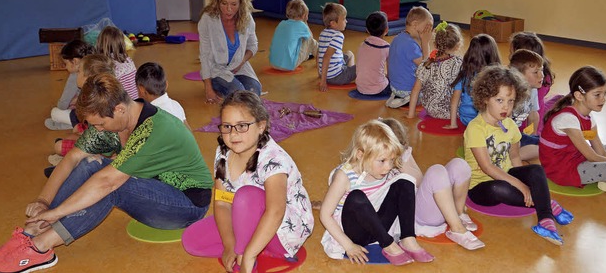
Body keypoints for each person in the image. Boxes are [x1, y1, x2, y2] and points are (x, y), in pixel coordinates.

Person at [0, 74, 213, 273]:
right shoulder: (114, 121)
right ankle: (30, 233)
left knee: (111, 186)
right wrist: (44, 202)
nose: (97, 130)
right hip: (155, 191)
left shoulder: (154, 128)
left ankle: (41, 249)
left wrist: (57, 213)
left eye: (99, 124)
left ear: (118, 109)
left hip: (187, 205)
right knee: (91, 163)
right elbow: (73, 158)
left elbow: (107, 183)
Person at [182, 90, 313, 273]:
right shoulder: (223, 153)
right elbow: (221, 203)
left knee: (245, 196)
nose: (233, 134)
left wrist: (247, 254)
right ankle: (247, 246)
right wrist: (229, 245)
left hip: (282, 233)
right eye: (227, 126)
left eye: (242, 126)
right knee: (191, 241)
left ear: (261, 126)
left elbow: (275, 211)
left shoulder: (273, 159)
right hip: (246, 218)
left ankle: (247, 258)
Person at [464, 65, 573, 245]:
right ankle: (546, 204)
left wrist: (525, 179)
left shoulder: (510, 125)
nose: (506, 107)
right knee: (498, 188)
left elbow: (515, 158)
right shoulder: (475, 128)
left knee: (536, 170)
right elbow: (487, 167)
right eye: (499, 100)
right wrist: (521, 186)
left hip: (506, 174)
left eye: (511, 101)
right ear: (484, 99)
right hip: (481, 186)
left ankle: (545, 220)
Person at [320, 120, 433, 265]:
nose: (388, 167)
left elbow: (408, 188)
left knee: (405, 180)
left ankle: (408, 239)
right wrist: (348, 245)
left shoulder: (385, 168)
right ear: (361, 155)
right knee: (356, 196)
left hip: (379, 227)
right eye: (382, 161)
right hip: (355, 232)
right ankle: (389, 245)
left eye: (391, 160)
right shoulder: (345, 176)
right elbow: (325, 214)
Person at [379, 118, 484, 251]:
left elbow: (419, 179)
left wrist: (403, 159)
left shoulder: (402, 155)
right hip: (414, 217)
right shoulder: (376, 164)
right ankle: (457, 229)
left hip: (422, 204)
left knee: (460, 164)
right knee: (436, 171)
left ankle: (458, 212)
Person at [540, 66, 606, 199]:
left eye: (604, 94)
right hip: (562, 169)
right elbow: (592, 156)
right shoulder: (568, 119)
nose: (603, 99)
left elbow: (600, 151)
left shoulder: (589, 118)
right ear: (579, 95)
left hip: (578, 157)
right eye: (597, 95)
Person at [199, 0, 260, 104]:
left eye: (234, 4)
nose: (229, 9)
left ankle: (230, 87)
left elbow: (253, 46)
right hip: (216, 70)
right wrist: (208, 89)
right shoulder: (207, 19)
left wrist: (241, 61)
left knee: (254, 92)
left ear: (241, 4)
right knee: (239, 94)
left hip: (240, 67)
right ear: (217, 1)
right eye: (224, 3)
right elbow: (205, 56)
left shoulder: (246, 18)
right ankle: (221, 85)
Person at [50, 55, 115, 167]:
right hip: (96, 137)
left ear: (88, 77)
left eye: (79, 72)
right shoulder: (95, 93)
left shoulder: (95, 100)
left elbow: (103, 140)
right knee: (75, 130)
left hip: (101, 147)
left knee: (59, 146)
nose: (76, 75)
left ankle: (74, 165)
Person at [406, 21, 463, 119]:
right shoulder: (459, 64)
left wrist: (410, 115)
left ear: (435, 44)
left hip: (430, 110)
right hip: (452, 112)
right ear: (457, 46)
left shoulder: (426, 64)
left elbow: (415, 90)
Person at [444, 34, 501, 129]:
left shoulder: (465, 74)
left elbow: (454, 100)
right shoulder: (496, 77)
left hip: (466, 120)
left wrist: (453, 124)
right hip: (486, 121)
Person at [386, 6, 433, 108]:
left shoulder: (398, 38)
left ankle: (399, 97)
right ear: (415, 24)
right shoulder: (410, 45)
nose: (428, 31)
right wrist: (426, 43)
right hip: (407, 90)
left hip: (394, 88)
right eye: (427, 27)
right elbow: (426, 67)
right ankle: (407, 99)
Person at [509, 32, 555, 135]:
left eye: (512, 53)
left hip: (525, 126)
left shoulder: (534, 83)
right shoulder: (542, 78)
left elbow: (533, 115)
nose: (509, 56)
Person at [44, 40, 96, 131]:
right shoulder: (97, 67)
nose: (65, 67)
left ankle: (74, 125)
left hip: (90, 116)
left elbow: (62, 105)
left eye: (66, 64)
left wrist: (69, 103)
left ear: (75, 61)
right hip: (104, 114)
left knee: (55, 112)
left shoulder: (74, 76)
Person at [509, 49, 544, 161]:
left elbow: (534, 115)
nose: (542, 75)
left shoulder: (532, 89)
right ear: (519, 75)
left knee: (546, 144)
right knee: (540, 150)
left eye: (541, 70)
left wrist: (531, 136)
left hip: (516, 135)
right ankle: (507, 159)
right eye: (535, 72)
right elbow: (503, 125)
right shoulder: (510, 94)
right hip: (500, 136)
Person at [135, 62, 191, 130]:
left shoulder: (149, 116)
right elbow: (188, 132)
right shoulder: (176, 105)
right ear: (166, 84)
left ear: (141, 89)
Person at [269, 0, 317, 71]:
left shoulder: (281, 23)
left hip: (273, 63)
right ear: (304, 15)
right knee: (311, 41)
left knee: (297, 41)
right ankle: (322, 57)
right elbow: (310, 39)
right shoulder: (301, 25)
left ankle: (306, 56)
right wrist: (305, 22)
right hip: (289, 65)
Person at [317, 3, 356, 92]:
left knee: (349, 53)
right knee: (362, 66)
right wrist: (323, 82)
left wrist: (320, 73)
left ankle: (347, 72)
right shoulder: (338, 35)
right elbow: (327, 57)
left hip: (328, 74)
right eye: (344, 19)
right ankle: (349, 76)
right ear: (333, 23)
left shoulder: (323, 33)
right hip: (336, 77)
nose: (346, 21)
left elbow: (319, 53)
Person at [96, 25, 139, 100]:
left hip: (123, 105)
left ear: (101, 44)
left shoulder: (109, 65)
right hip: (135, 101)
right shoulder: (128, 60)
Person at [355, 11, 391, 97]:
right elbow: (391, 71)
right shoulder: (386, 48)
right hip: (380, 90)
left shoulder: (362, 44)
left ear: (367, 30)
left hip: (360, 88)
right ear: (386, 30)